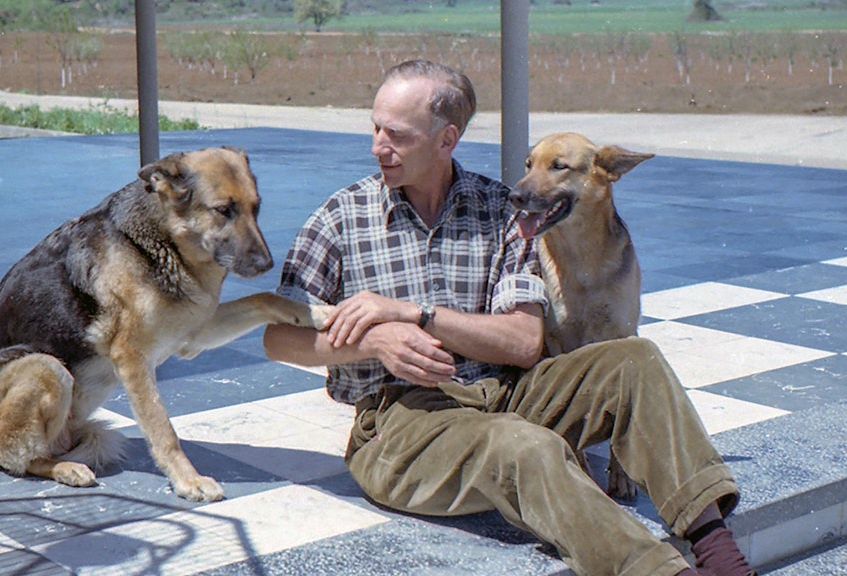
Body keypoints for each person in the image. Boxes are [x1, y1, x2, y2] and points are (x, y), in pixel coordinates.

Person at [262, 59, 756, 576]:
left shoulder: (502, 211)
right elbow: (279, 339)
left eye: (396, 134)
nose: (377, 146)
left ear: (445, 139)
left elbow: (523, 343)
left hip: (505, 396)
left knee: (636, 358)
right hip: (401, 424)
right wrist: (375, 342)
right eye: (375, 128)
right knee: (528, 446)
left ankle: (719, 552)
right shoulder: (342, 217)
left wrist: (416, 315)